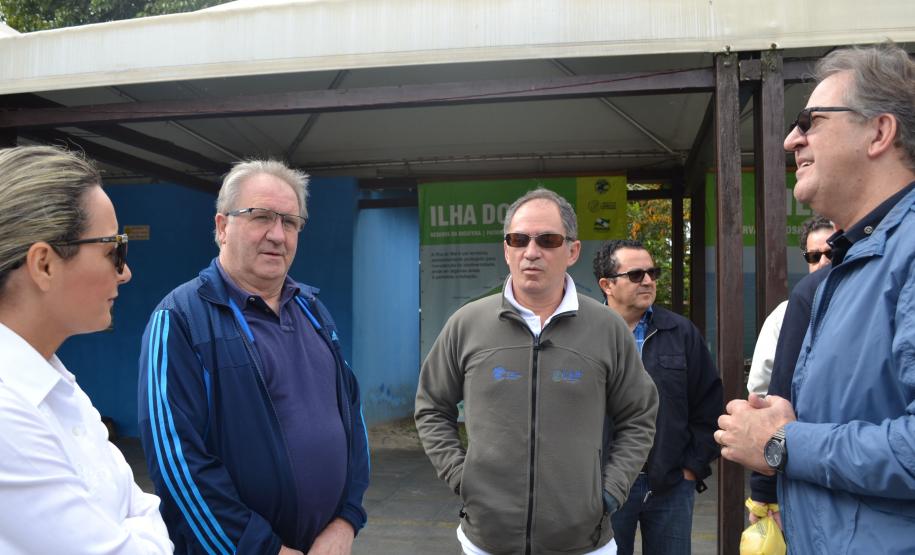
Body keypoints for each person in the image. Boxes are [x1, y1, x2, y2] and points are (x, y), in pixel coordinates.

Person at [716, 42, 915, 552]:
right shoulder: (851, 262)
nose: (790, 140)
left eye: (811, 121)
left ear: (879, 132)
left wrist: (781, 443)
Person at [138, 160, 369, 555]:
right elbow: (178, 464)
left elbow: (352, 418)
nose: (277, 235)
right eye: (261, 216)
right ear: (222, 227)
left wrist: (347, 519)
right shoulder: (179, 319)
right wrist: (262, 549)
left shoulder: (313, 311)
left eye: (290, 222)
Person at [415, 188, 659, 555]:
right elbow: (432, 407)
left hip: (583, 543)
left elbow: (639, 415)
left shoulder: (606, 328)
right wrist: (461, 477)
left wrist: (609, 491)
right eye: (518, 239)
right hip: (487, 541)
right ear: (506, 250)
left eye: (547, 240)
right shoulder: (467, 324)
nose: (531, 251)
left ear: (572, 251)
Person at [0, 146, 172, 554]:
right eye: (114, 250)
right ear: (44, 264)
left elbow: (144, 506)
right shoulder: (8, 415)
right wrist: (132, 527)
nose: (126, 272)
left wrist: (134, 526)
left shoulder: (55, 384)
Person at [593, 239, 722, 555]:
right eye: (636, 275)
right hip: (602, 484)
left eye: (653, 272)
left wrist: (691, 468)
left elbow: (709, 404)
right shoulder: (585, 334)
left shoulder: (681, 332)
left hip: (670, 484)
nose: (648, 281)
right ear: (607, 285)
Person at [746, 216, 834, 396]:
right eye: (814, 256)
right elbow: (760, 389)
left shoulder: (862, 304)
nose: (823, 262)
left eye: (831, 253)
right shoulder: (782, 315)